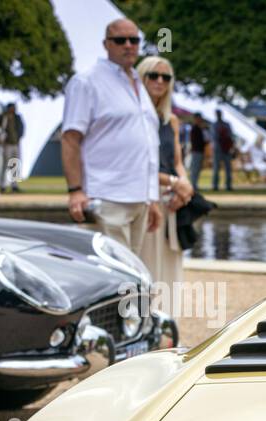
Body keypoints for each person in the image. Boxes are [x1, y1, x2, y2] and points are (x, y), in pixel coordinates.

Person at [61, 18, 160, 254]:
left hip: (140, 198)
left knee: (133, 273)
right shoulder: (86, 82)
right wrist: (75, 190)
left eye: (134, 40)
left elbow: (147, 142)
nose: (128, 45)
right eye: (120, 40)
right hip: (107, 194)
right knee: (115, 272)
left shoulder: (138, 82)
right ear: (106, 44)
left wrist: (152, 196)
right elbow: (70, 138)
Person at [137, 56, 194, 312]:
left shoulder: (171, 121)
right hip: (148, 194)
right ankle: (145, 318)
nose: (160, 81)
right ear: (142, 77)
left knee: (171, 265)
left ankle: (168, 321)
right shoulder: (135, 117)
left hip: (173, 198)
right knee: (148, 261)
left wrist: (184, 184)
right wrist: (173, 181)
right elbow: (139, 165)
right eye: (153, 75)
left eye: (166, 77)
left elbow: (177, 160)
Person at [0, 104, 23, 192]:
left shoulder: (17, 117)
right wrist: (0, 138)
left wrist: (19, 137)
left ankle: (14, 185)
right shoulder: (3, 118)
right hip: (7, 144)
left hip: (16, 143)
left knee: (15, 163)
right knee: (5, 164)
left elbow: (21, 129)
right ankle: (2, 184)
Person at [211, 109, 234, 191]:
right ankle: (215, 185)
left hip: (226, 149)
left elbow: (230, 136)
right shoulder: (214, 125)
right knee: (216, 168)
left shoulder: (226, 124)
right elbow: (214, 137)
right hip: (218, 149)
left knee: (228, 168)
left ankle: (228, 185)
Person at [187, 117, 207, 186]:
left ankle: (194, 184)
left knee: (197, 169)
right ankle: (193, 184)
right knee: (194, 169)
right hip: (196, 151)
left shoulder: (199, 128)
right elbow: (195, 141)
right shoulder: (195, 128)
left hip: (199, 151)